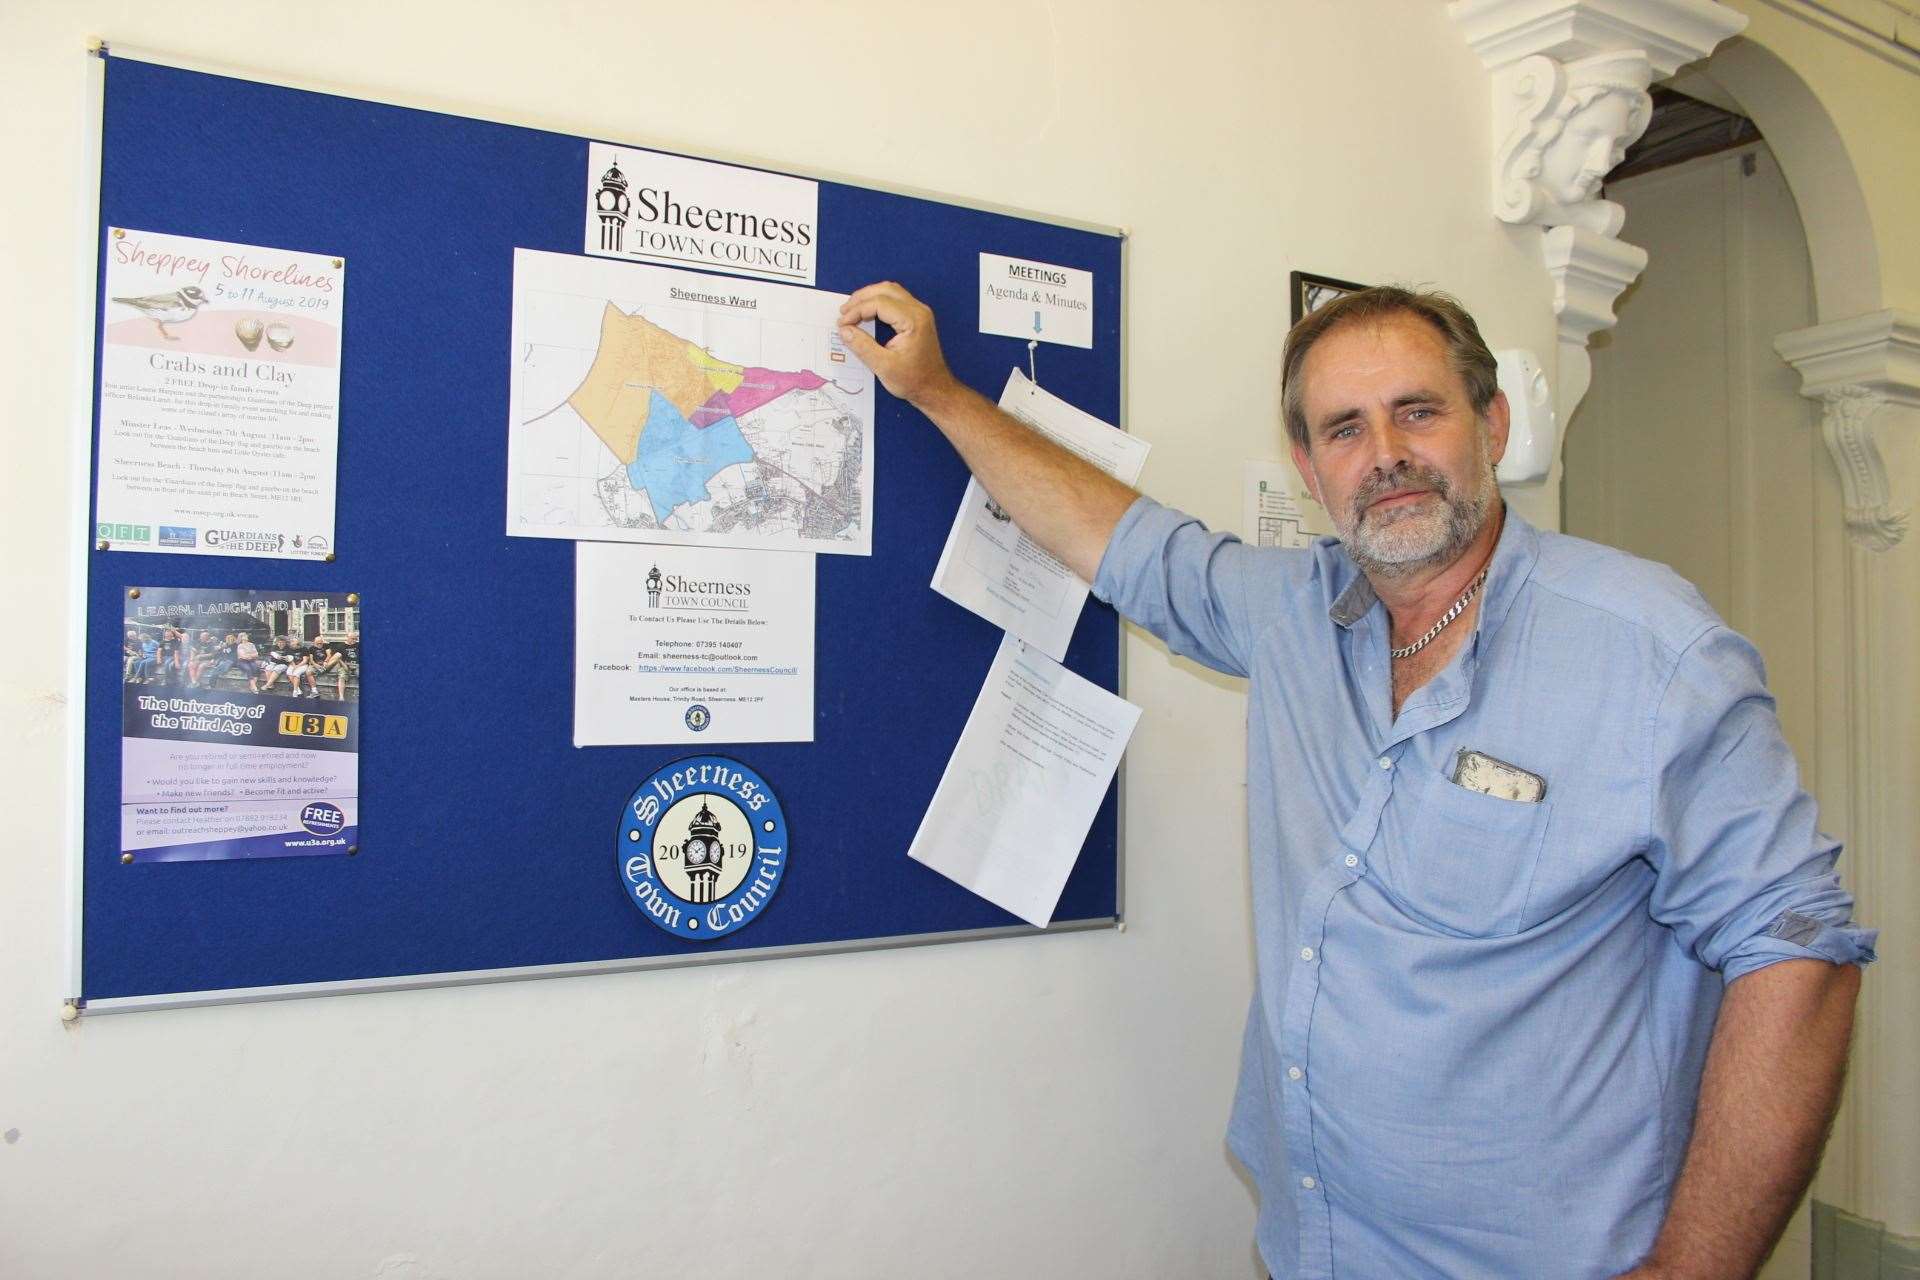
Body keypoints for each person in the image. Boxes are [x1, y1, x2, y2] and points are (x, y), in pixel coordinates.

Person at [835, 281, 1875, 1280]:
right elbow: (1120, 540)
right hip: (1320, 1242)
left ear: (1494, 424)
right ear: (1309, 466)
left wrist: (1696, 1266)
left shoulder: (1651, 650)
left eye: (1417, 412)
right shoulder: (1290, 615)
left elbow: (1799, 950)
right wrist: (936, 391)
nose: (1385, 457)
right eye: (1344, 429)